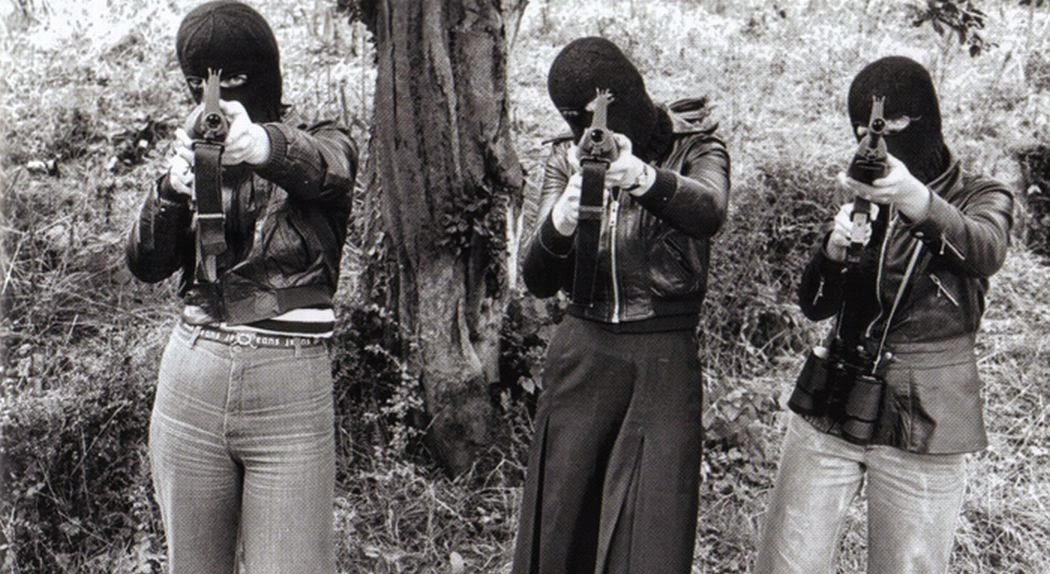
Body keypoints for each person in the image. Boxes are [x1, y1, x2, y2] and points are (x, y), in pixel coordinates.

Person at [754, 56, 1014, 574]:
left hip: (925, 409)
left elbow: (985, 249)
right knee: (786, 562)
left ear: (922, 122)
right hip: (835, 392)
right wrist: (833, 249)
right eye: (860, 132)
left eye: (888, 129)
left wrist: (916, 199)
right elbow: (815, 305)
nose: (873, 145)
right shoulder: (864, 190)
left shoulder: (983, 195)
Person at [125, 2, 357, 572]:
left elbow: (329, 169)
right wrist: (170, 192)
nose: (219, 98)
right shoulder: (195, 150)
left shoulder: (322, 137)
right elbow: (146, 266)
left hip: (288, 385)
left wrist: (260, 147)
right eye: (201, 81)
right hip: (191, 375)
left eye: (234, 80)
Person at [512, 37, 730, 574]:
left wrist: (641, 177)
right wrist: (562, 218)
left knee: (647, 535)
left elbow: (710, 210)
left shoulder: (697, 146)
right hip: (581, 351)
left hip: (661, 355)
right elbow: (535, 278)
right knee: (561, 524)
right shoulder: (562, 157)